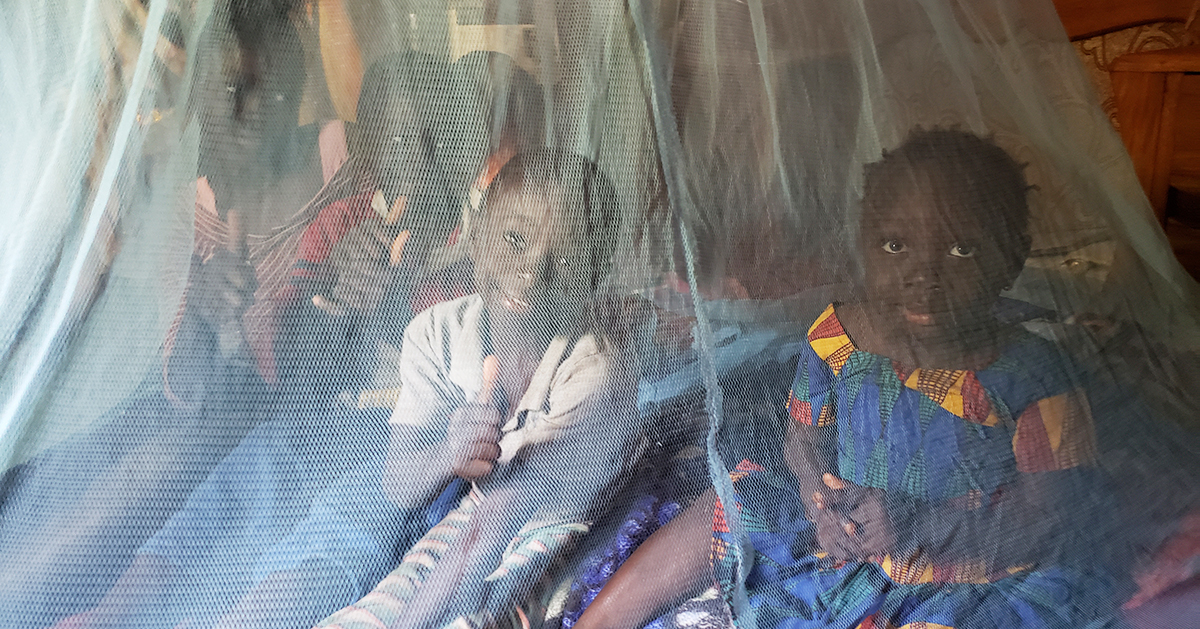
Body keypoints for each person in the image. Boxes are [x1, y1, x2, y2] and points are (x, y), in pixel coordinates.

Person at [571, 128, 1126, 629]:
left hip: (970, 570)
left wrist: (917, 528)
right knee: (737, 498)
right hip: (848, 532)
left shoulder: (1034, 378)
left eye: (963, 249)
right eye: (894, 246)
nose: (923, 275)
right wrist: (815, 496)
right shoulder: (839, 336)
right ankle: (600, 620)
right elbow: (803, 435)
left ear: (1014, 257)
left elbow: (1050, 517)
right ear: (862, 246)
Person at [45, 50, 483, 629]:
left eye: (438, 142)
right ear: (370, 150)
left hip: (390, 460)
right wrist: (333, 304)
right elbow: (298, 373)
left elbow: (466, 377)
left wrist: (402, 299)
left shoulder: (477, 251)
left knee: (300, 571)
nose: (421, 161)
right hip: (303, 431)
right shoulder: (340, 227)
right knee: (198, 528)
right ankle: (105, 614)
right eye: (400, 144)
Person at [311, 147, 644, 629]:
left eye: (565, 259)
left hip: (535, 511)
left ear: (592, 279)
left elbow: (505, 511)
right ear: (478, 233)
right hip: (448, 507)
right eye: (515, 239)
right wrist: (450, 452)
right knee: (329, 557)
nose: (533, 271)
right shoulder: (436, 332)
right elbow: (400, 484)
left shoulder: (589, 367)